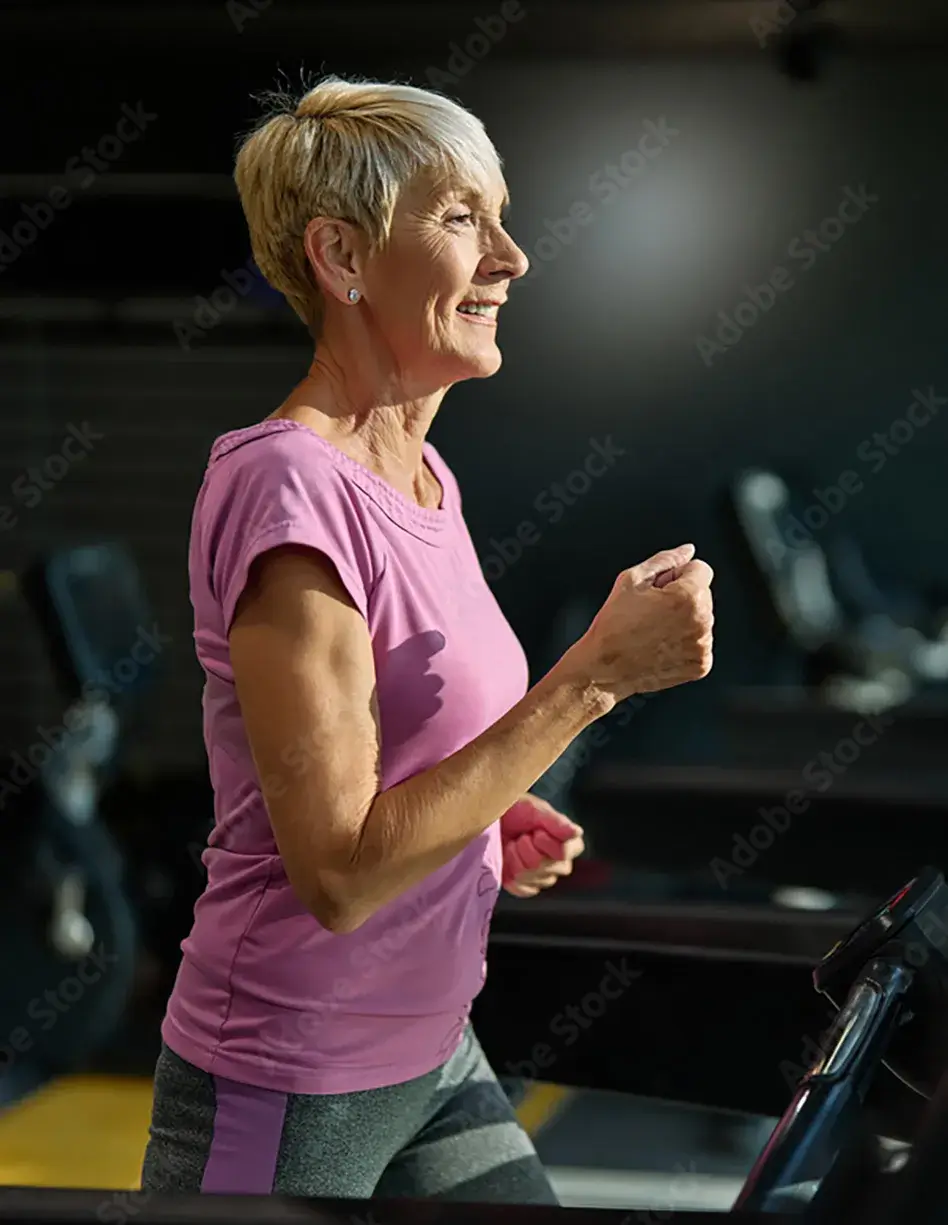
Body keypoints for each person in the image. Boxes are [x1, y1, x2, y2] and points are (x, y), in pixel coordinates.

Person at [140, 74, 714, 1205]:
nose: (513, 256)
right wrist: (592, 681)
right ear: (341, 256)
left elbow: (393, 744)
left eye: (501, 214)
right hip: (292, 1071)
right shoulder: (290, 490)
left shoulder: (423, 473)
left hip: (432, 1047)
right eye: (462, 218)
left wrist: (485, 818)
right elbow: (343, 873)